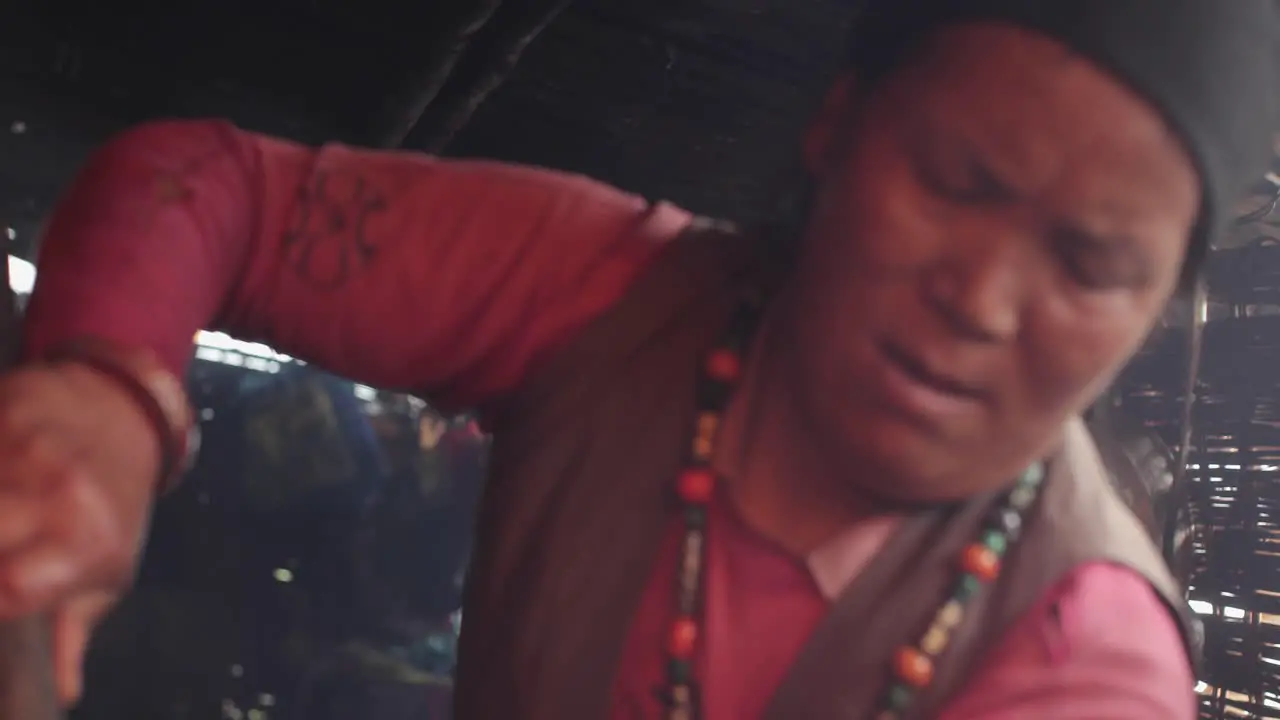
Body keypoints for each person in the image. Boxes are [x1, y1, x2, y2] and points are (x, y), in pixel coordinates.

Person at [1, 1, 1277, 717]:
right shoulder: (619, 302)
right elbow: (206, 186)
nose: (986, 301)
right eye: (951, 181)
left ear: (1155, 305)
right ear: (835, 130)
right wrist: (103, 408)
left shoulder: (1082, 664)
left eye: (1093, 267)